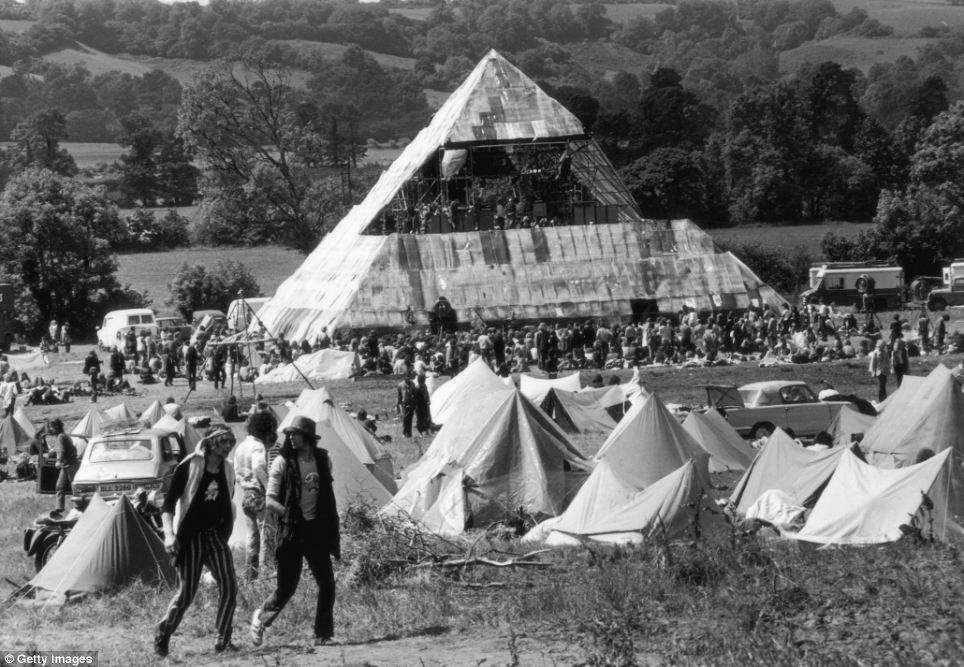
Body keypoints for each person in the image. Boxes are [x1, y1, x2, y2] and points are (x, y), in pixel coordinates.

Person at [250, 416, 340, 647]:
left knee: (327, 583)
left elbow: (326, 494)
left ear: (307, 437)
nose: (290, 437)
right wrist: (290, 517)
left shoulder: (323, 460)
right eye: (288, 433)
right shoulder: (282, 462)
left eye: (295, 433)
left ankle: (323, 634)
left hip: (315, 531)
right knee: (287, 587)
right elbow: (270, 501)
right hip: (291, 532)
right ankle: (261, 617)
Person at [155, 424, 238, 657]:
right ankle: (163, 632)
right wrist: (169, 535)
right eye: (223, 442)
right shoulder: (190, 465)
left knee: (230, 585)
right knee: (186, 593)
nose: (227, 448)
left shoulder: (228, 469)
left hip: (214, 536)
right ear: (211, 443)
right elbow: (168, 504)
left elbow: (227, 502)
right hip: (190, 538)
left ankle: (223, 638)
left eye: (231, 443)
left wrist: (225, 531)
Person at [234, 411, 276, 581]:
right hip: (259, 494)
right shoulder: (258, 446)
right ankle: (266, 576)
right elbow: (258, 466)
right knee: (267, 536)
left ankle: (250, 575)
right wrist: (269, 489)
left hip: (246, 495)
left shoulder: (241, 446)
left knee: (252, 538)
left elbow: (237, 471)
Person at [50, 418, 79, 512]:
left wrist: (58, 461)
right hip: (66, 465)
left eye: (52, 427)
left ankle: (79, 506)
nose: (51, 429)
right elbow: (59, 449)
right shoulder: (63, 436)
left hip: (71, 465)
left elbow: (61, 451)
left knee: (74, 486)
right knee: (59, 486)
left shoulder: (61, 437)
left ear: (56, 427)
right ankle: (59, 508)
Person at [396, 372, 417, 438]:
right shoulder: (400, 385)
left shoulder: (412, 384)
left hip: (411, 402)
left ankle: (409, 433)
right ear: (404, 377)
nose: (408, 377)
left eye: (409, 376)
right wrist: (398, 404)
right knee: (405, 418)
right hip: (404, 403)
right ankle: (404, 432)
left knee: (410, 418)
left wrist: (414, 402)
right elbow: (399, 395)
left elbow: (414, 393)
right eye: (407, 376)